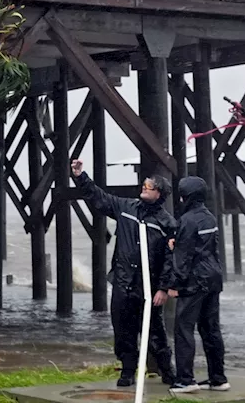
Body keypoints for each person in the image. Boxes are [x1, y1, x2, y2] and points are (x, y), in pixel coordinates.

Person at [71, 159, 176, 387]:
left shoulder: (167, 223)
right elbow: (100, 199)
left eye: (147, 187)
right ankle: (128, 371)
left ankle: (168, 372)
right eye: (144, 185)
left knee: (155, 333)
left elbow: (170, 259)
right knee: (123, 331)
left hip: (149, 288)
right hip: (123, 282)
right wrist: (81, 176)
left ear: (158, 193)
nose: (142, 188)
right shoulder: (126, 208)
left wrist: (163, 288)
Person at [163, 175, 228, 394]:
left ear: (186, 197)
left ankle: (185, 380)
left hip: (195, 282)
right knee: (211, 328)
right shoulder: (209, 217)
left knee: (183, 328)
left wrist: (173, 284)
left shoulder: (187, 220)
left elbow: (183, 257)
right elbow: (204, 247)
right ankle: (218, 378)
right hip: (213, 278)